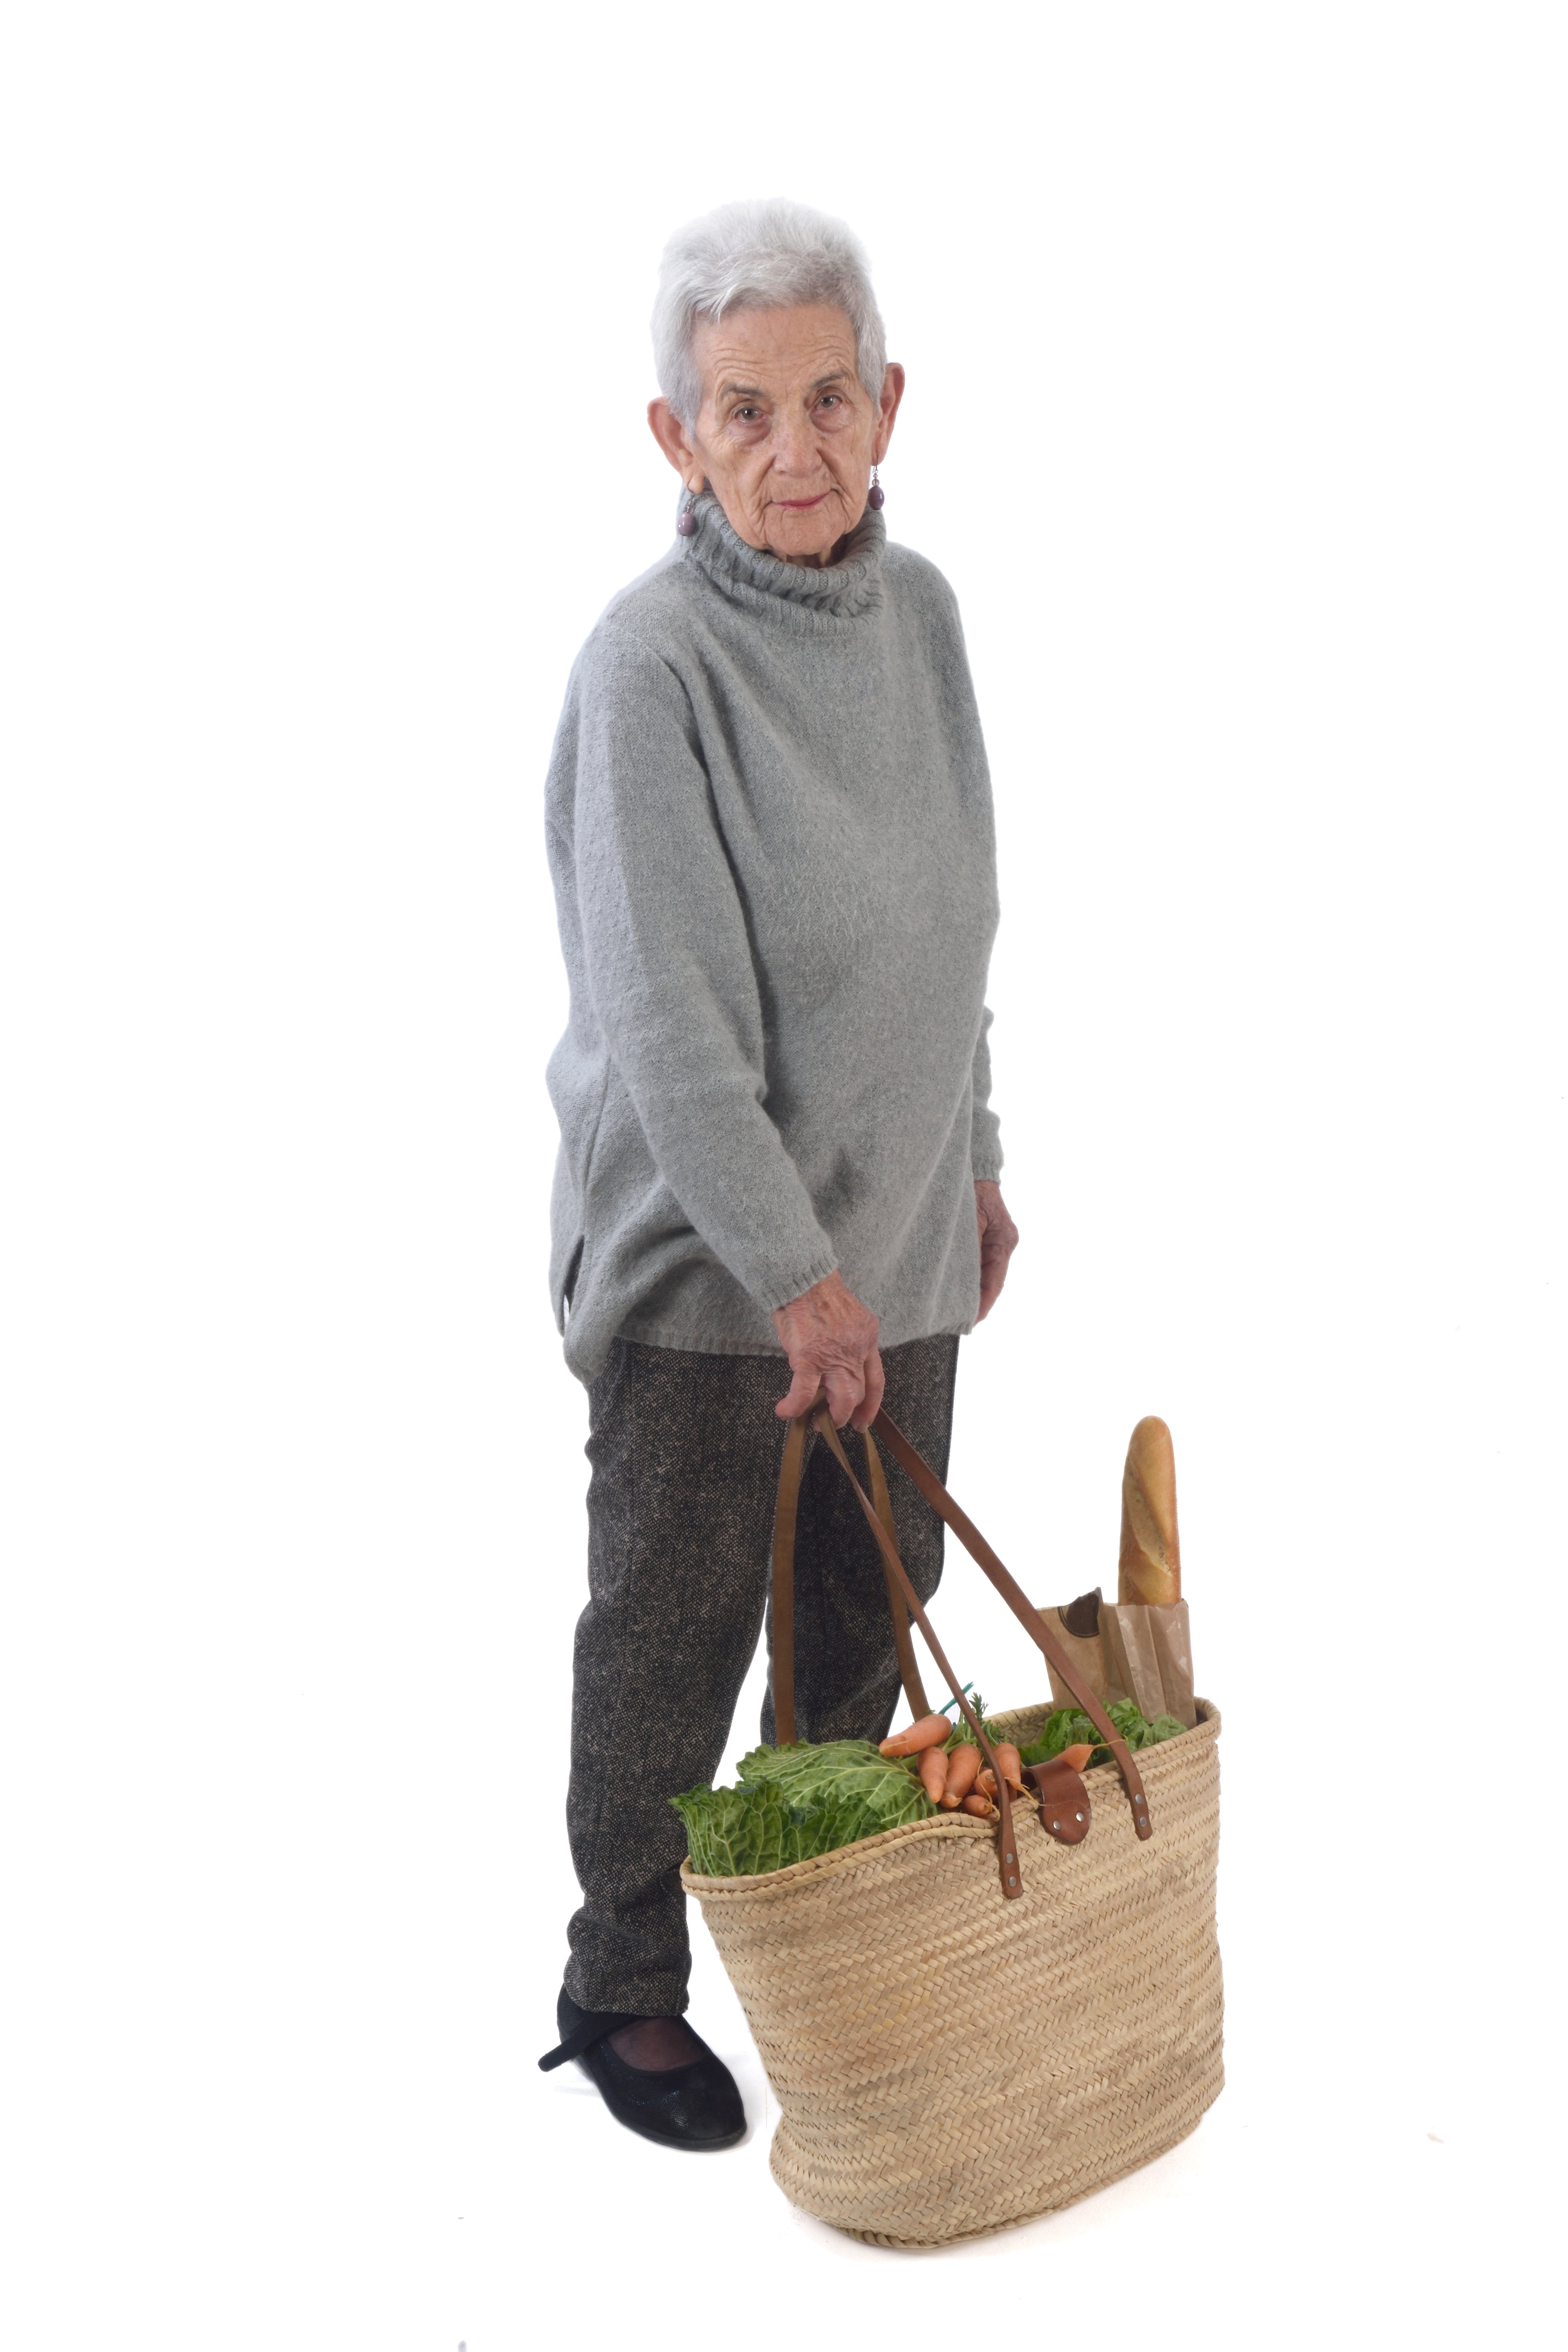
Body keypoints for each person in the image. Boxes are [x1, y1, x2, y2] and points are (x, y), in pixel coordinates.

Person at [537, 200, 1018, 2148]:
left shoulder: (924, 622)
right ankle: (622, 1980)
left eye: (830, 398)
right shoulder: (650, 670)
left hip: (895, 1244)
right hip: (713, 1271)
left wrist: (968, 1164)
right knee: (675, 1637)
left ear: (890, 405)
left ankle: (809, 1931)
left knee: (858, 1627)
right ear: (675, 438)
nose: (794, 449)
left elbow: (951, 918)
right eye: (742, 411)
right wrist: (792, 1279)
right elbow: (668, 1026)